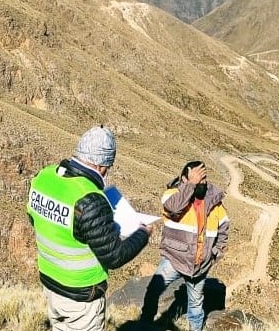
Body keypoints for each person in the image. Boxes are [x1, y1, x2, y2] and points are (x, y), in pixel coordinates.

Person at [26, 125, 152, 331]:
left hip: (50, 284)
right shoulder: (90, 199)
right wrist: (143, 233)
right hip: (81, 296)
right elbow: (115, 256)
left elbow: (34, 219)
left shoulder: (44, 177)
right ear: (103, 165)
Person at [140, 160, 229, 331]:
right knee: (153, 292)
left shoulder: (214, 201)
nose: (201, 182)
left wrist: (214, 253)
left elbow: (224, 228)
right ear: (183, 178)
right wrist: (190, 185)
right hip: (174, 259)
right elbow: (173, 208)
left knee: (196, 306)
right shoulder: (172, 194)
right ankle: (144, 325)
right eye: (196, 178)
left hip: (199, 265)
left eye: (203, 178)